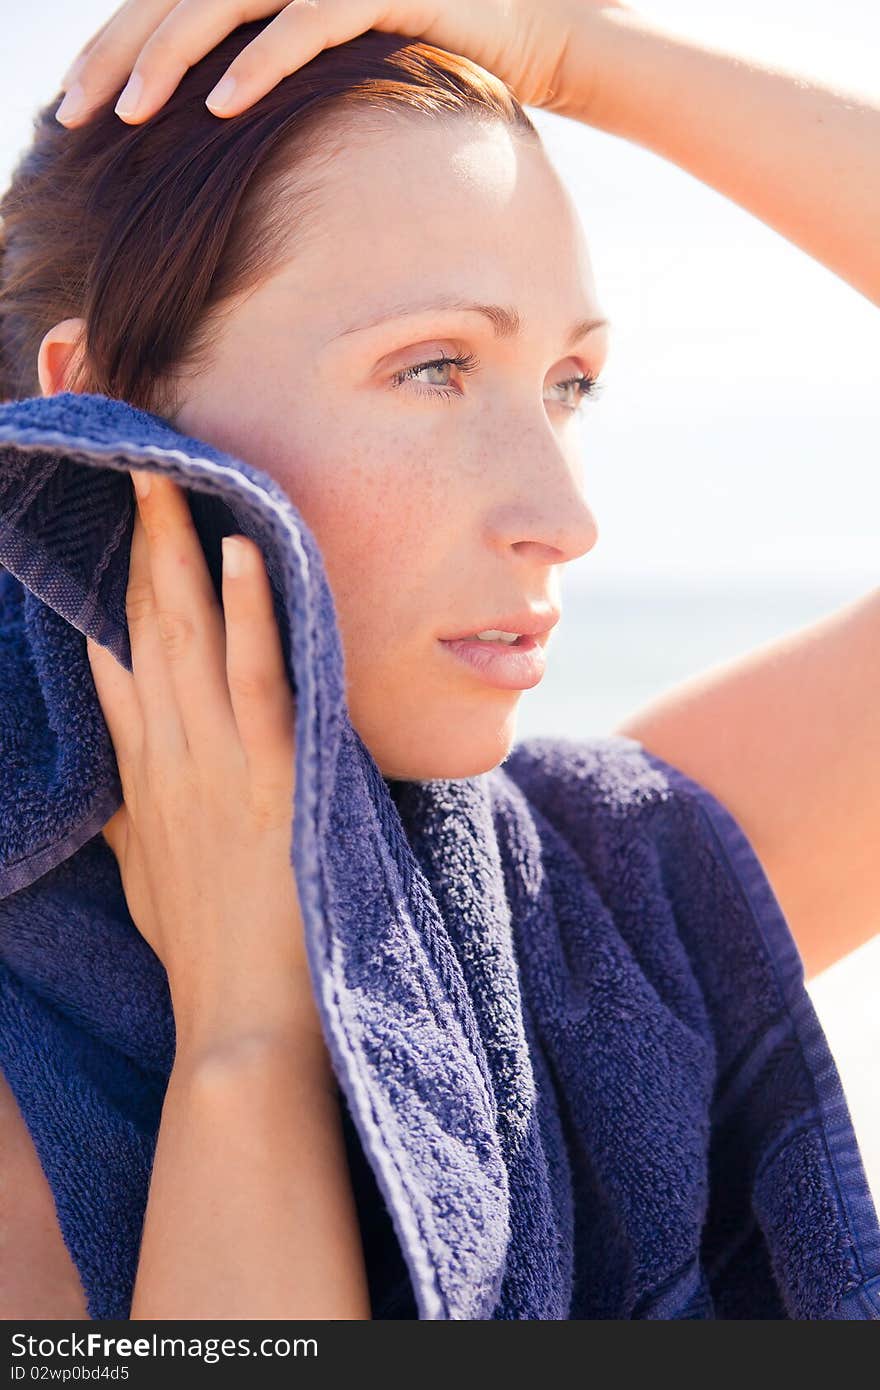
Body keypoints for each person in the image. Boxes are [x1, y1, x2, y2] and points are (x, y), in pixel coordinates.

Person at [0, 0, 877, 1320]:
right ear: (105, 410)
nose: (564, 516)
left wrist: (569, 45)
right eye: (433, 367)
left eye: (568, 383)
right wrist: (247, 1032)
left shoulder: (608, 906)